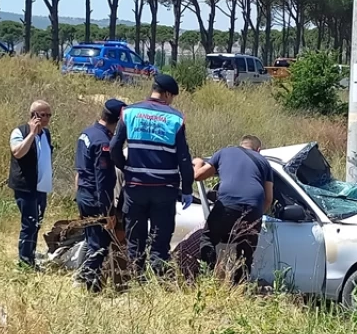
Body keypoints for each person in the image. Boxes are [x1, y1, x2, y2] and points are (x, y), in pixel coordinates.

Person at [110, 73, 192, 276]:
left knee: (134, 238)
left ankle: (135, 279)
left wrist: (127, 168)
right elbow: (183, 158)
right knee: (160, 239)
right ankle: (157, 281)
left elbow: (113, 147)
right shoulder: (175, 118)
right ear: (166, 94)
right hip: (165, 189)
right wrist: (188, 189)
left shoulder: (128, 113)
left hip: (135, 187)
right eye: (172, 96)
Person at [193, 135, 273, 283]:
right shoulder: (264, 163)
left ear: (241, 144)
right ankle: (239, 289)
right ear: (258, 150)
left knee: (208, 239)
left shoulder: (224, 152)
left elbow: (198, 176)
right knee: (245, 253)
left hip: (228, 203)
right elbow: (268, 198)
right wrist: (255, 216)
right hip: (253, 207)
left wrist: (198, 162)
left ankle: (207, 280)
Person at [74, 98, 125, 289]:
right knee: (99, 245)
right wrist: (108, 212)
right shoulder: (104, 143)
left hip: (83, 194)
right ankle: (88, 286)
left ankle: (81, 277)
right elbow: (103, 181)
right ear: (118, 121)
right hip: (96, 199)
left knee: (90, 239)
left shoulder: (86, 133)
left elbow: (79, 171)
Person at [8, 100, 54, 269]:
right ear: (34, 116)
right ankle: (25, 262)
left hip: (41, 186)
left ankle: (30, 257)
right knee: (29, 223)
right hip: (26, 186)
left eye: (49, 115)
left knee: (37, 223)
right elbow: (18, 152)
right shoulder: (19, 132)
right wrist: (32, 134)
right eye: (44, 115)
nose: (47, 118)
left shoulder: (46, 133)